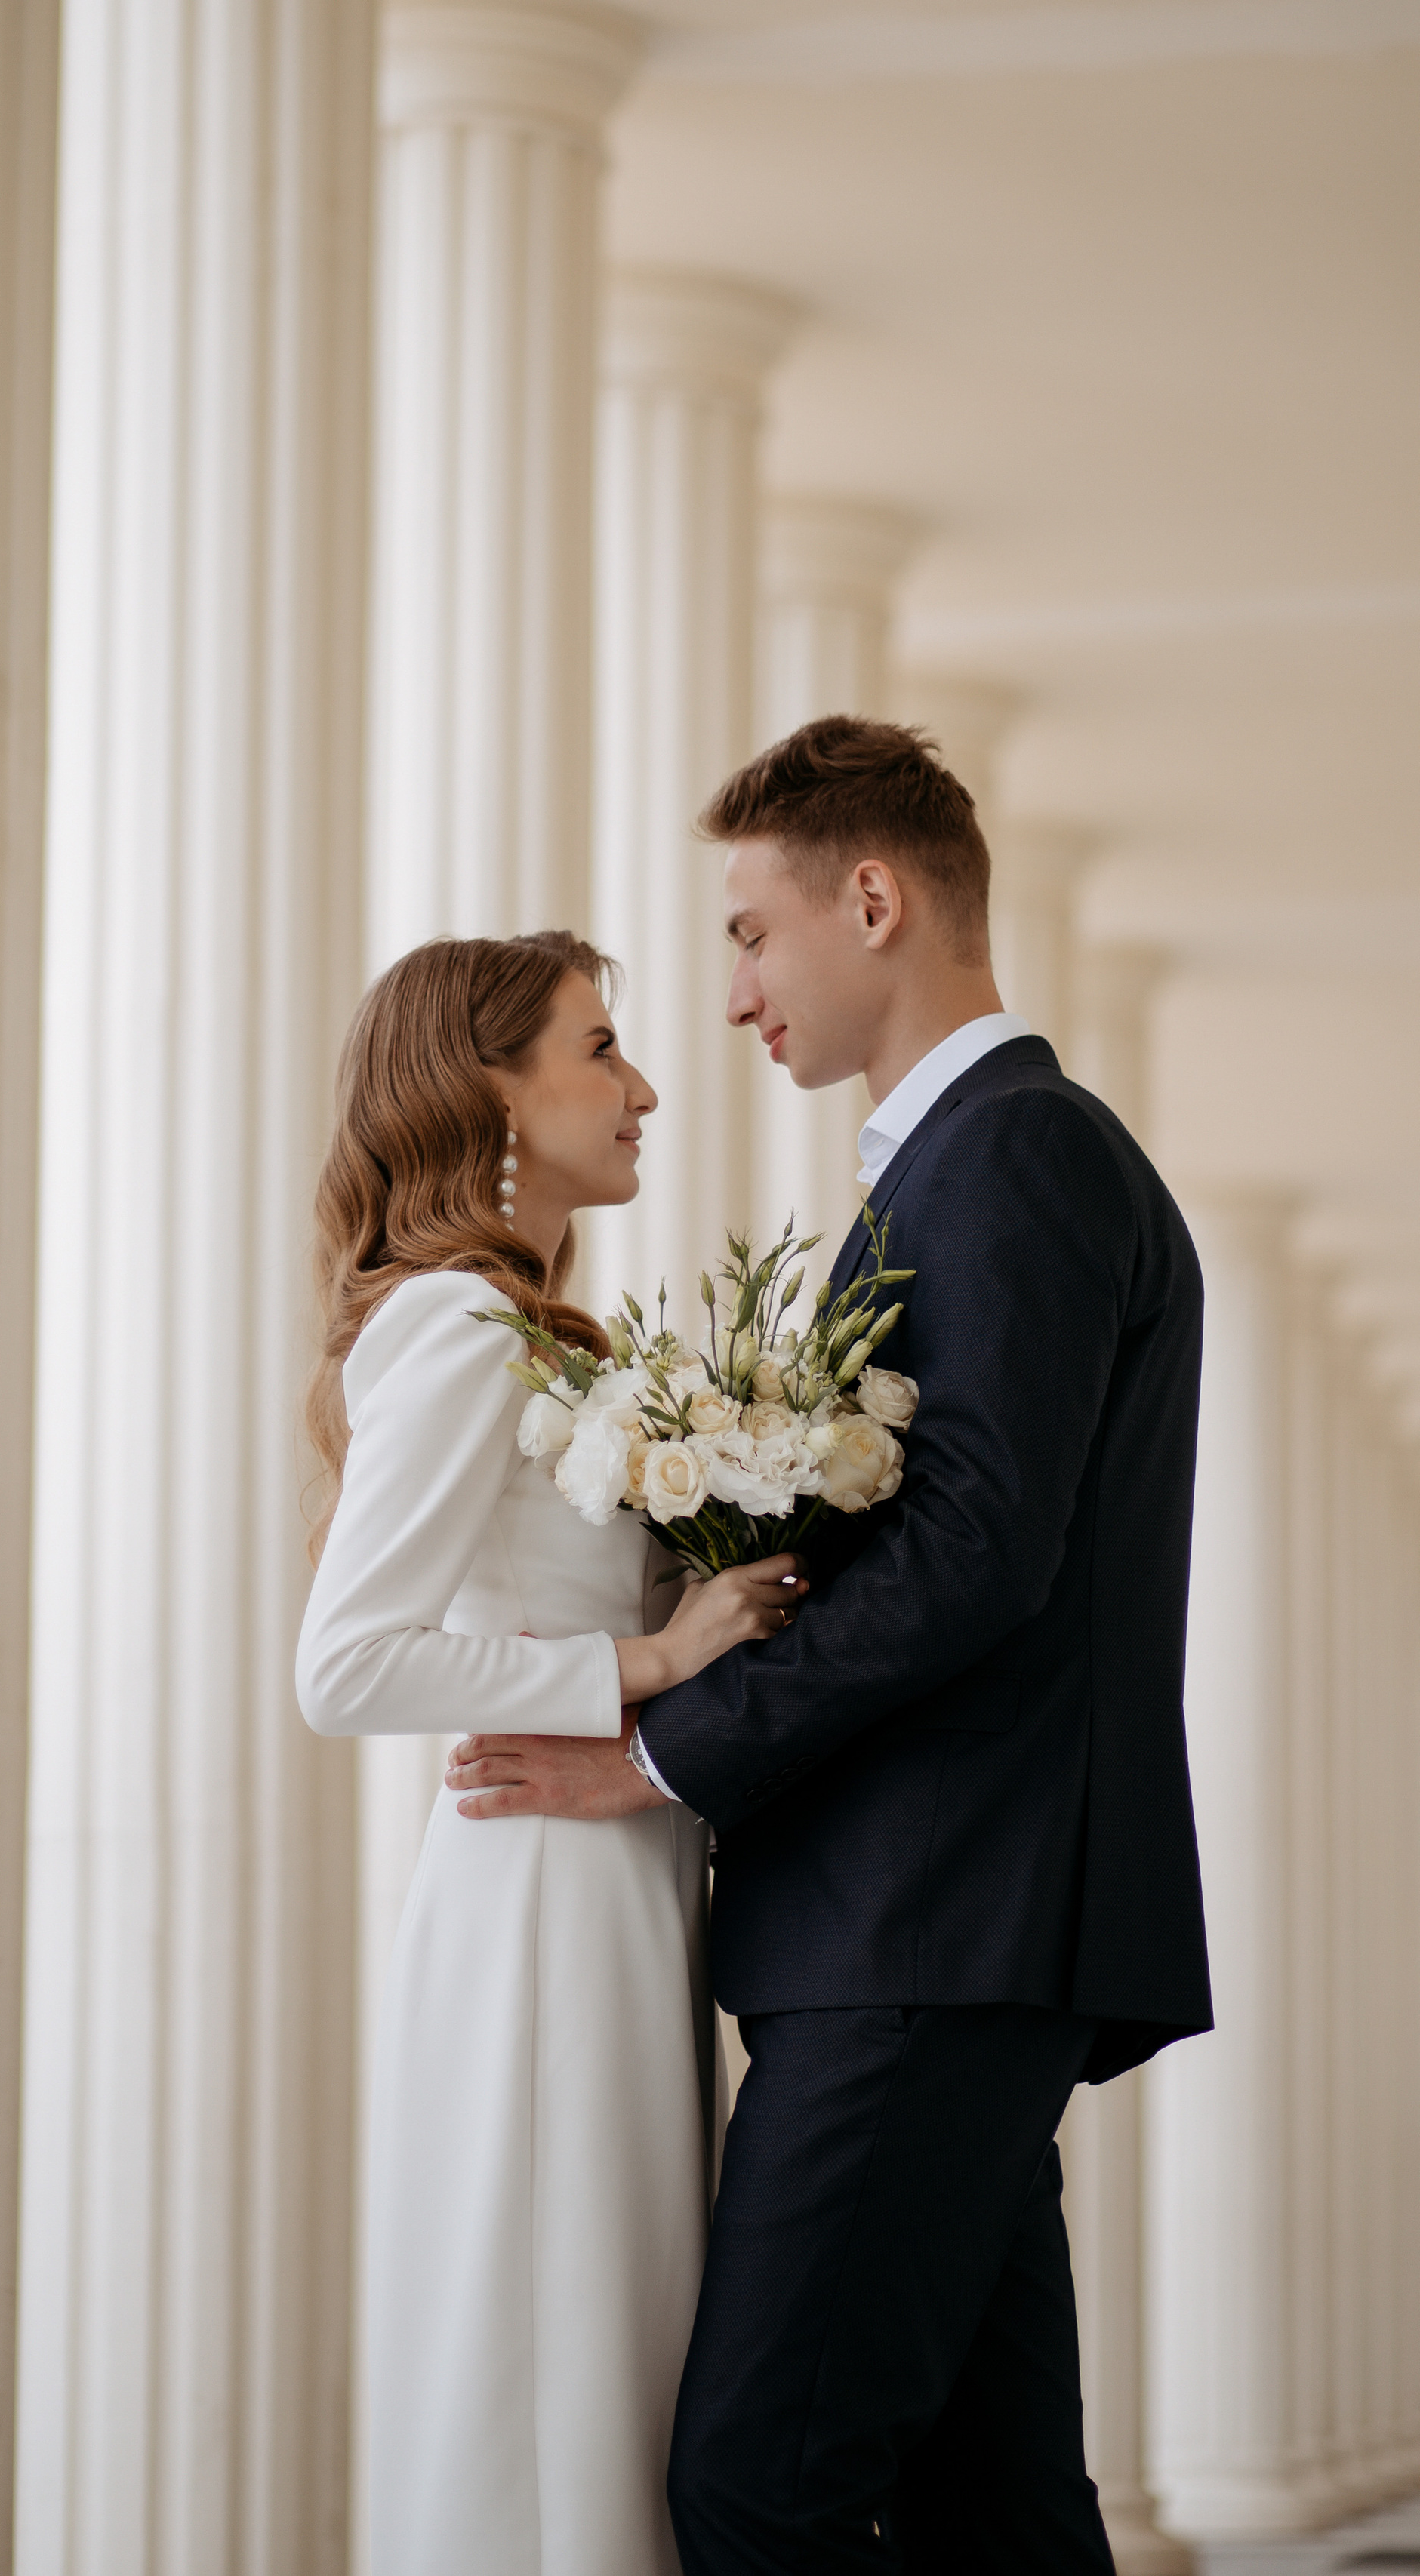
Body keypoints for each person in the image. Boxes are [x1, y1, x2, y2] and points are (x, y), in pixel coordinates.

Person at [447, 716, 1213, 2571]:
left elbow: (970, 1549)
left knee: (754, 2484)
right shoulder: (972, 1160)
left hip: (925, 1924)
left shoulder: (1009, 1151)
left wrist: (658, 1745)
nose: (730, 994)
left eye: (747, 933)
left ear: (870, 900)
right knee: (990, 2511)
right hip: (943, 1927)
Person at [296, 931, 803, 2576]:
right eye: (600, 1047)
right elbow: (346, 1664)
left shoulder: (539, 1332)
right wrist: (652, 1657)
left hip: (613, 1887)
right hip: (538, 1907)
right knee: (546, 2367)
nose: (642, 1084)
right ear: (493, 1091)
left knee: (605, 2360)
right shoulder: (457, 1324)